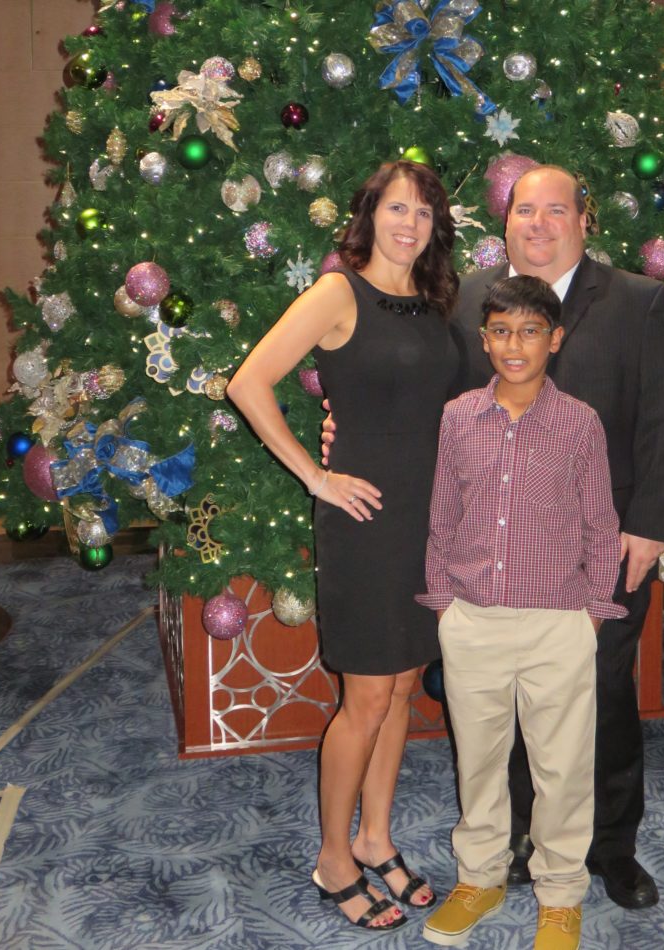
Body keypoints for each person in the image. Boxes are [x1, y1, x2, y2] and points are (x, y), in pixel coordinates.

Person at [451, 166, 664, 911]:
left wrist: (650, 527)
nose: (540, 223)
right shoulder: (469, 298)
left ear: (584, 221)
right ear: (505, 224)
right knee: (516, 697)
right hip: (501, 546)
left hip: (606, 545)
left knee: (602, 696)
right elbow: (442, 402)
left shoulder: (638, 301)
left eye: (556, 210)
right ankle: (527, 836)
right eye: (526, 210)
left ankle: (612, 849)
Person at [227, 160, 460, 932]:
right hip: (364, 521)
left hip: (428, 519)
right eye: (397, 208)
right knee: (364, 697)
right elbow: (249, 382)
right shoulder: (338, 292)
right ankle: (333, 856)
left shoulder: (432, 302)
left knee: (401, 688)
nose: (409, 224)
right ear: (370, 214)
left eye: (424, 214)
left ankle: (376, 835)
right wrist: (315, 477)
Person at [417, 276, 626, 949]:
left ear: (554, 339)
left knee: (561, 767)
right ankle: (479, 876)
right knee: (477, 760)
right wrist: (446, 605)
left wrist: (591, 612)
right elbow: (442, 516)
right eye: (502, 331)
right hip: (473, 620)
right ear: (485, 340)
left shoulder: (579, 423)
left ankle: (561, 893)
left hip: (557, 623)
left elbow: (600, 523)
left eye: (531, 331)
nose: (515, 344)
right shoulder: (457, 418)